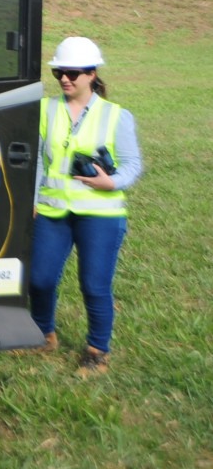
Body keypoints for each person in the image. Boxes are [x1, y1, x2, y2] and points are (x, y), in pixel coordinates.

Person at [28, 36, 143, 375]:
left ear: (92, 74)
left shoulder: (116, 116)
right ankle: (43, 333)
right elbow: (35, 159)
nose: (65, 78)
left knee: (94, 285)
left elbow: (132, 165)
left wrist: (112, 182)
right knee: (40, 280)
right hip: (52, 212)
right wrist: (33, 198)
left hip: (101, 215)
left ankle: (97, 351)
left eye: (73, 73)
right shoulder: (46, 109)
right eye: (59, 72)